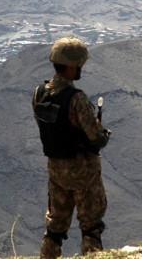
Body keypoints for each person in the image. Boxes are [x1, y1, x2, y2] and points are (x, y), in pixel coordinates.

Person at [32, 36, 111, 258]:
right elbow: (95, 137)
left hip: (56, 169)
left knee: (55, 228)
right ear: (71, 66)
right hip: (83, 171)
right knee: (91, 227)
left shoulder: (39, 93)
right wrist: (103, 134)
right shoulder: (76, 98)